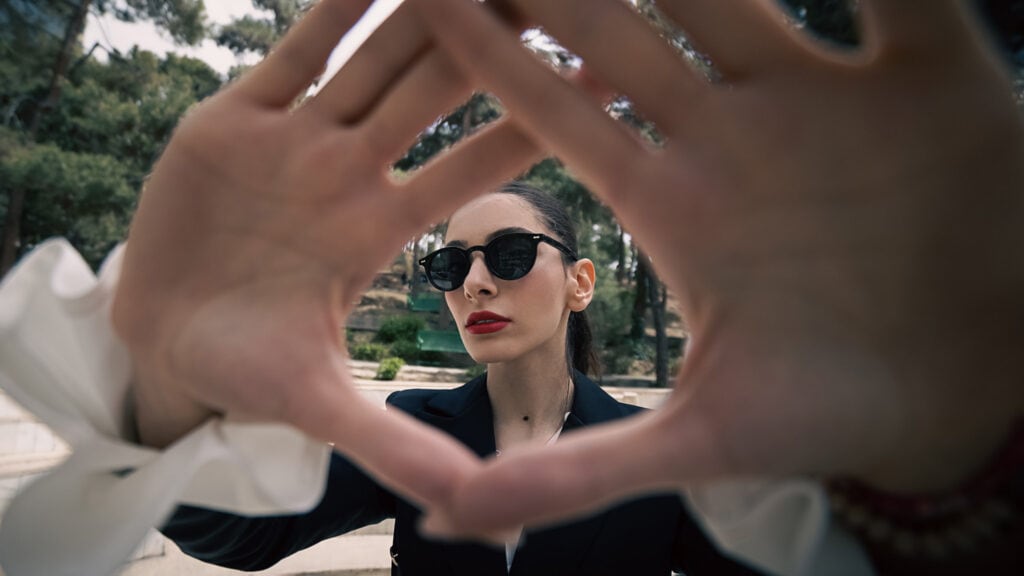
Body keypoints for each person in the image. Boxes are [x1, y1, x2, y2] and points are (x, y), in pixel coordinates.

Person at [160, 181, 763, 575]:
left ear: (579, 283)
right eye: (451, 264)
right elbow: (240, 530)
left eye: (510, 253)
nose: (474, 283)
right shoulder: (412, 432)